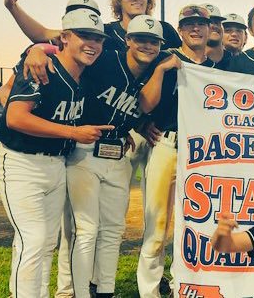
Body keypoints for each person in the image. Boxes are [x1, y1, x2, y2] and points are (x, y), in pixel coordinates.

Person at [35, 15, 175, 298]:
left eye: (153, 42)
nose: (147, 46)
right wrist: (37, 50)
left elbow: (143, 106)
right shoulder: (105, 59)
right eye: (141, 39)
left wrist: (137, 122)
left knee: (113, 230)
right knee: (85, 230)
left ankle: (104, 291)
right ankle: (75, 292)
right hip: (83, 153)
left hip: (118, 154)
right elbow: (62, 50)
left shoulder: (153, 70)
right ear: (128, 40)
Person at [0, 8, 113, 298]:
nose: (92, 43)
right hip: (21, 161)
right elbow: (16, 118)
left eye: (97, 38)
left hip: (57, 163)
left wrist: (38, 48)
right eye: (84, 35)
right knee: (33, 241)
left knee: (46, 243)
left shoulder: (84, 74)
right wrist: (73, 132)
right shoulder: (42, 67)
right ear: (65, 37)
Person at [136, 4, 219, 298]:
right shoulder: (164, 58)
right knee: (156, 225)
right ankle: (149, 291)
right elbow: (139, 98)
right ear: (181, 30)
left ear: (210, 29)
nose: (195, 28)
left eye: (201, 24)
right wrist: (142, 123)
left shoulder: (217, 70)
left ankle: (182, 285)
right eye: (189, 24)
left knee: (195, 225)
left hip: (202, 153)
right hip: (167, 144)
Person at [4, 0, 181, 54]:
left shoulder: (165, 30)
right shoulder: (103, 32)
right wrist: (13, 7)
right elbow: (43, 34)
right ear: (118, 0)